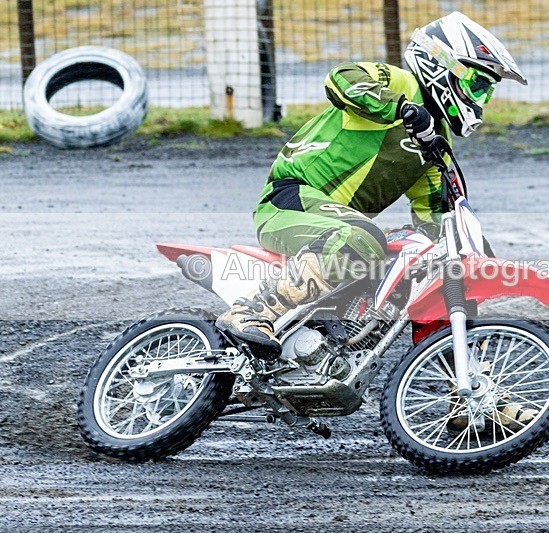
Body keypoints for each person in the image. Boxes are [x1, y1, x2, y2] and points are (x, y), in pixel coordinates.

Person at [216, 11, 528, 357]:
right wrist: (400, 107)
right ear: (444, 65)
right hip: (289, 201)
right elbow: (341, 78)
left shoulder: (433, 142)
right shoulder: (400, 85)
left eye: (487, 92)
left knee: (426, 261)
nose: (480, 100)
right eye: (477, 85)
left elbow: (435, 219)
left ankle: (458, 374)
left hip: (334, 222)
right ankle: (250, 312)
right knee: (362, 238)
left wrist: (466, 253)